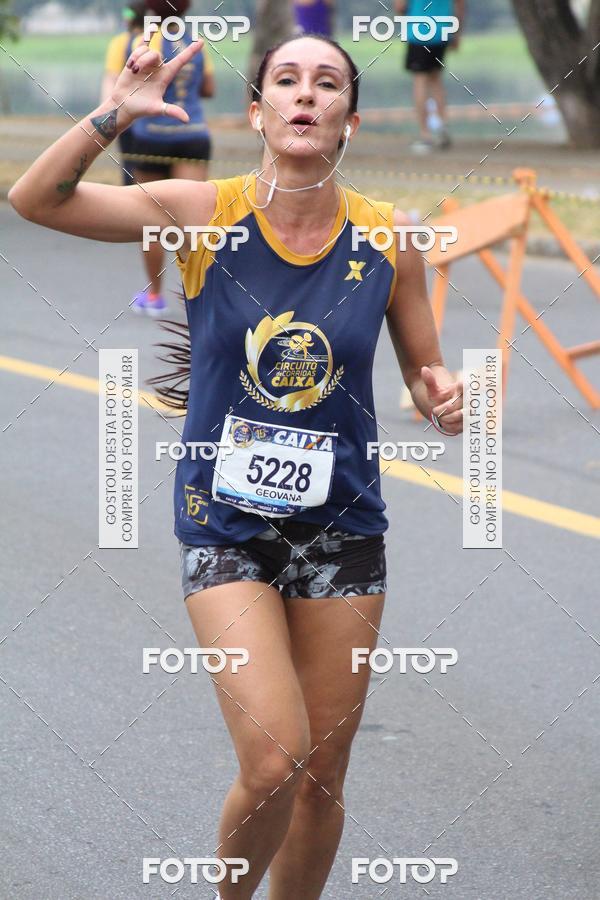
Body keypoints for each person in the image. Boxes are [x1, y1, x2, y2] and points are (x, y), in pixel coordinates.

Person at [8, 33, 464, 899]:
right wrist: (114, 113)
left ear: (348, 122)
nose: (305, 94)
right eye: (285, 80)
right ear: (257, 112)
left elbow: (424, 372)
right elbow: (37, 200)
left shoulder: (389, 240)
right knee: (275, 759)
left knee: (323, 780)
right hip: (228, 531)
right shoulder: (202, 209)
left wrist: (443, 397)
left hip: (343, 531)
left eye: (326, 84)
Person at [130, 0, 215, 316]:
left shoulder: (139, 39)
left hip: (149, 135)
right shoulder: (195, 39)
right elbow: (208, 87)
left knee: (151, 220)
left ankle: (154, 296)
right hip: (192, 132)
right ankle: (204, 297)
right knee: (194, 222)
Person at [396, 0, 465, 154]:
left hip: (419, 30)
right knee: (436, 80)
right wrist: (457, 33)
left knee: (420, 81)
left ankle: (425, 135)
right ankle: (443, 128)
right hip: (442, 30)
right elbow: (460, 4)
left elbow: (399, 6)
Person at [101, 1, 146, 186]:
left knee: (129, 166)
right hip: (160, 118)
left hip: (130, 116)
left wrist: (106, 117)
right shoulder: (162, 40)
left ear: (129, 20)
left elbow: (111, 80)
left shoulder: (120, 42)